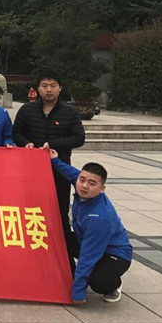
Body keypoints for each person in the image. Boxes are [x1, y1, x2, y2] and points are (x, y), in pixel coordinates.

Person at [13, 70, 85, 267]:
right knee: (31, 213)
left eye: (53, 85)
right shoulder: (27, 110)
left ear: (60, 88)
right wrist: (26, 143)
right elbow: (16, 132)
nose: (48, 90)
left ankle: (65, 262)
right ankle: (30, 258)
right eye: (44, 86)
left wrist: (54, 145)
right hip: (31, 172)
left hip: (59, 171)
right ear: (37, 89)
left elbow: (79, 137)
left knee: (59, 215)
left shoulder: (70, 112)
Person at [48, 148, 132, 303]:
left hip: (114, 252)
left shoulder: (99, 217)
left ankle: (114, 283)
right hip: (88, 241)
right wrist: (55, 160)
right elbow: (71, 173)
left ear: (102, 189)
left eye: (92, 183)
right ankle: (72, 275)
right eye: (82, 180)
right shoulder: (81, 184)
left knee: (99, 282)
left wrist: (78, 291)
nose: (84, 186)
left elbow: (88, 254)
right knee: (58, 238)